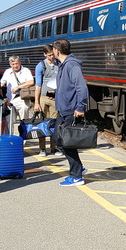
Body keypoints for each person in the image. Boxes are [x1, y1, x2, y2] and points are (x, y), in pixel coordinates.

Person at [51, 39, 88, 187]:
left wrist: (80, 107)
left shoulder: (72, 65)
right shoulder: (63, 65)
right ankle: (79, 168)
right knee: (59, 140)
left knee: (65, 142)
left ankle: (77, 176)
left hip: (71, 110)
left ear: (57, 51)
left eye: (53, 49)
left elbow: (82, 88)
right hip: (63, 109)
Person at [32, 44, 59, 156]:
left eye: (53, 54)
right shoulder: (40, 66)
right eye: (49, 55)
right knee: (42, 123)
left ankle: (54, 148)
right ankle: (42, 148)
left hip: (55, 98)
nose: (52, 57)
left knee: (54, 123)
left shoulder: (59, 64)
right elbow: (38, 85)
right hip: (43, 97)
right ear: (44, 54)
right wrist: (36, 102)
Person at [0, 56, 34, 126]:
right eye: (13, 64)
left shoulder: (26, 71)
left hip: (22, 99)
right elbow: (2, 83)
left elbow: (31, 82)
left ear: (20, 62)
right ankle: (10, 136)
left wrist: (18, 87)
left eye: (17, 63)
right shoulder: (7, 72)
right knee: (9, 122)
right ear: (10, 64)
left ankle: (23, 136)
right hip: (10, 99)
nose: (15, 66)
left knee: (24, 121)